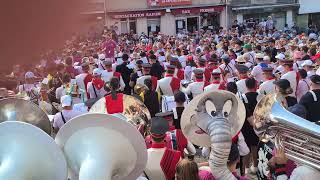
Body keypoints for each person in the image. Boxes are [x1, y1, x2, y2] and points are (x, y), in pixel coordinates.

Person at [240, 78, 259, 175]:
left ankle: (247, 168)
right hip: (258, 124)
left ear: (246, 86)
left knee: (246, 147)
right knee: (255, 146)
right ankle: (255, 166)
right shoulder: (260, 96)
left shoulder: (242, 97)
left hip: (246, 125)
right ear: (256, 85)